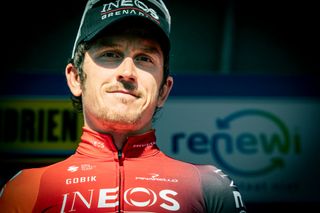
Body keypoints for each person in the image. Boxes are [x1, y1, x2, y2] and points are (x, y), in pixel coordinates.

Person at [0, 0, 247, 212]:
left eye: (144, 58)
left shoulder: (211, 188)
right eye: (110, 54)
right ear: (76, 77)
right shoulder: (24, 190)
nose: (127, 72)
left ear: (164, 90)